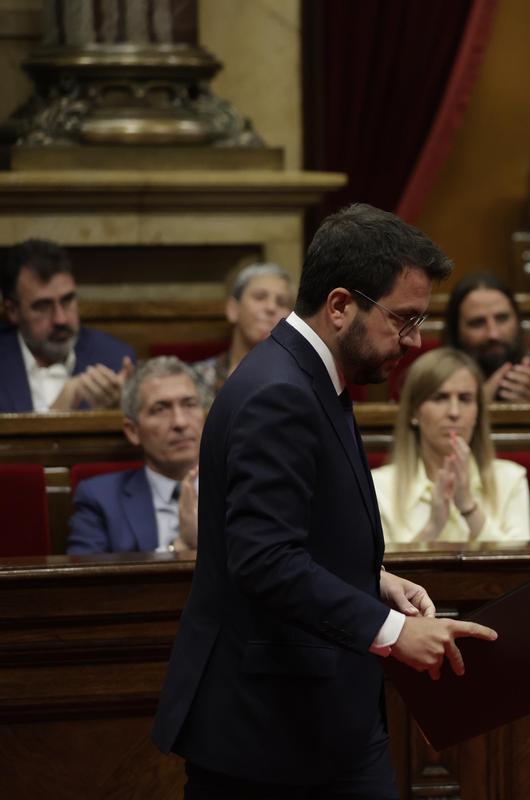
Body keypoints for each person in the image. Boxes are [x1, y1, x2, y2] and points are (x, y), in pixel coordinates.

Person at [151, 204, 497, 798]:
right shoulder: (281, 392)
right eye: (404, 319)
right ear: (340, 306)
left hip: (308, 716)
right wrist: (391, 630)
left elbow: (296, 529)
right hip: (272, 729)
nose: (414, 340)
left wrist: (373, 577)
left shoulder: (306, 374)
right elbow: (263, 559)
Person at [372, 348, 530, 544]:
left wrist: (468, 507)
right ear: (414, 412)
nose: (454, 412)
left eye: (465, 399)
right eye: (440, 398)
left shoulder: (510, 479)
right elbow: (379, 573)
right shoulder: (378, 488)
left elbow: (521, 569)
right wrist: (433, 527)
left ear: (477, 413)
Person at [67, 357, 207, 555]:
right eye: (160, 409)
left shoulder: (240, 487)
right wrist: (179, 548)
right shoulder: (100, 498)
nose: (180, 422)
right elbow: (83, 583)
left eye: (189, 404)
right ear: (132, 431)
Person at [0, 238, 134, 412]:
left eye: (67, 301)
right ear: (12, 311)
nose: (60, 319)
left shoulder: (113, 358)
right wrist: (58, 410)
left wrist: (117, 412)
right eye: (43, 306)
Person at [443, 273, 530, 403]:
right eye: (478, 323)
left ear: (517, 321)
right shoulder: (436, 380)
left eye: (502, 318)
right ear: (456, 332)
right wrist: (478, 407)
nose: (493, 334)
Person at [191, 262, 293, 396]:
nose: (271, 307)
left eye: (281, 302)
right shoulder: (196, 379)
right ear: (233, 309)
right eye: (260, 297)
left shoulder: (296, 380)